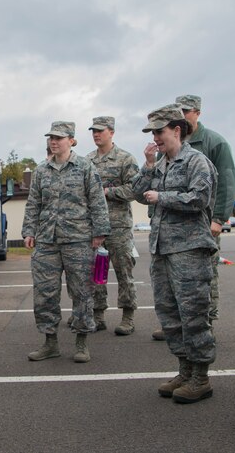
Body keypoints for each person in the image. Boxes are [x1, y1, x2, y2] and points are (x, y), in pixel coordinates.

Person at [133, 105, 218, 404]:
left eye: (159, 131)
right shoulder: (160, 165)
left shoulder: (196, 161)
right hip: (162, 249)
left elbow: (200, 198)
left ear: (177, 130)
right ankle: (184, 369)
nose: (154, 137)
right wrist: (147, 163)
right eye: (152, 132)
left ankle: (200, 377)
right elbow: (136, 191)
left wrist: (163, 197)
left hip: (189, 249)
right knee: (169, 315)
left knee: (193, 314)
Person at [23, 121, 110, 363]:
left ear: (71, 140)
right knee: (44, 293)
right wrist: (29, 231)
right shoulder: (41, 170)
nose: (53, 141)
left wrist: (100, 233)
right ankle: (50, 343)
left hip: (79, 240)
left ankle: (82, 342)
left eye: (59, 138)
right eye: (51, 137)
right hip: (47, 242)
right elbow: (33, 204)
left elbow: (97, 201)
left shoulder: (85, 167)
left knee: (82, 292)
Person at [151, 95, 235, 341]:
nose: (182, 114)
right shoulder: (166, 146)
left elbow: (227, 183)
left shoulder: (213, 143)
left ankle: (205, 324)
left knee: (204, 277)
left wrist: (219, 219)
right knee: (171, 281)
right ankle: (177, 324)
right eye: (178, 111)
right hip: (170, 228)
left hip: (202, 224)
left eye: (186, 110)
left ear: (197, 112)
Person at [85, 116, 140, 335]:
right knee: (96, 272)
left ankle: (128, 316)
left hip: (119, 227)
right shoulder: (87, 160)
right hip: (95, 227)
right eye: (93, 131)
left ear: (112, 132)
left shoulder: (125, 159)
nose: (96, 134)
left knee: (123, 272)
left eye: (100, 130)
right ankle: (98, 315)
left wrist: (108, 192)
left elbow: (135, 189)